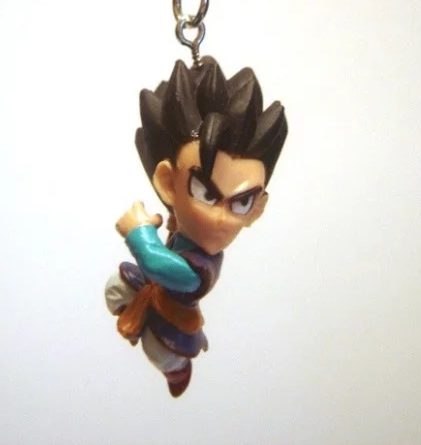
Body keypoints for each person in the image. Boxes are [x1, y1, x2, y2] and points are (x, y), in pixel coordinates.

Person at [105, 56, 288, 397]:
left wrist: (139, 232)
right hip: (152, 292)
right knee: (117, 284)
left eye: (242, 203)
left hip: (173, 325)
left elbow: (157, 262)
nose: (220, 217)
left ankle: (177, 371)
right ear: (167, 184)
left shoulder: (198, 272)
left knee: (161, 352)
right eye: (205, 193)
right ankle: (134, 313)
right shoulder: (184, 229)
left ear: (256, 210)